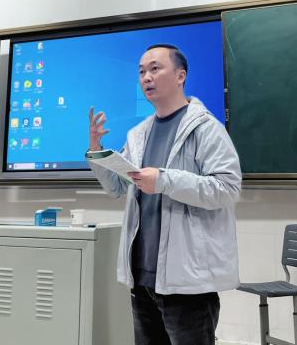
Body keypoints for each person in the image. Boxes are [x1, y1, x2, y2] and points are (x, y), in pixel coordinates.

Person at [87, 44, 242, 345]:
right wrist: (96, 150)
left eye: (155, 68)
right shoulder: (139, 134)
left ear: (180, 76)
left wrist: (164, 180)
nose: (146, 77)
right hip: (142, 278)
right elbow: (116, 187)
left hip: (187, 283)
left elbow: (226, 188)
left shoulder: (205, 128)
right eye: (141, 71)